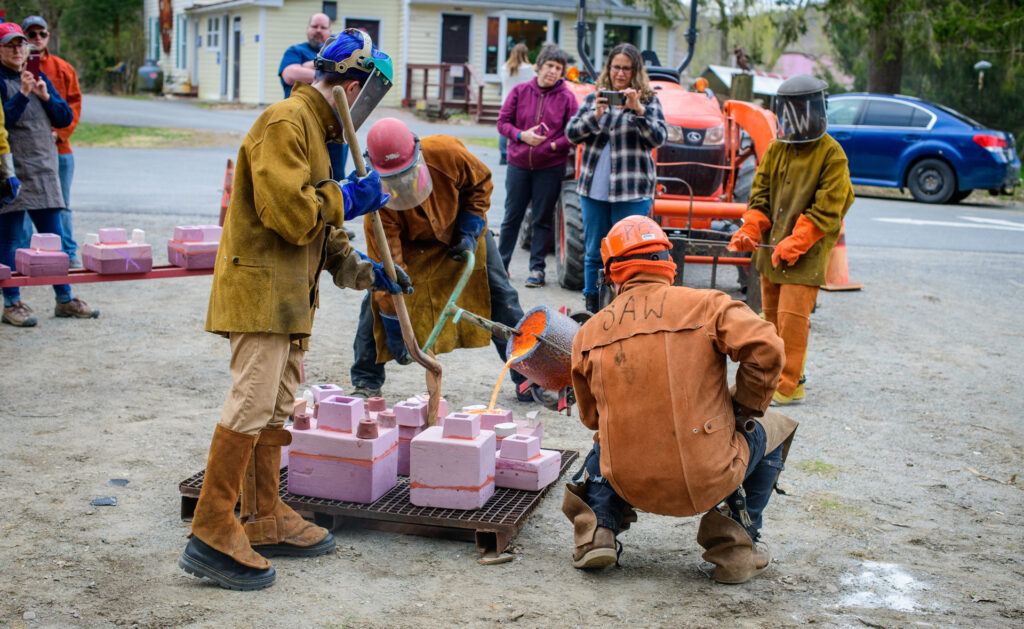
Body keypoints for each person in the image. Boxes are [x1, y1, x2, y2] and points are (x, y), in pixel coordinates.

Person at [178, 30, 404, 591]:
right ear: (351, 87)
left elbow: (322, 229)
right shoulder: (286, 121)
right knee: (251, 402)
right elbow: (292, 214)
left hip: (287, 296)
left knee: (274, 407)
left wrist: (362, 270)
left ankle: (263, 516)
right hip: (260, 292)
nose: (362, 110)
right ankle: (212, 528)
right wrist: (350, 198)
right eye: (364, 98)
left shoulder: (315, 133)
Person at [563, 215, 797, 584]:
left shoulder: (588, 334)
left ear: (612, 274)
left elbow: (592, 420)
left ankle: (597, 531)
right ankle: (735, 548)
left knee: (603, 438)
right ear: (668, 264)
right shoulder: (708, 306)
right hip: (710, 476)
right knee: (778, 425)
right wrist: (744, 408)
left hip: (629, 481)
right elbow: (766, 349)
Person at [348, 117, 541, 403]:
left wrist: (470, 226)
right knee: (376, 301)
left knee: (501, 296)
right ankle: (366, 381)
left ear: (418, 155)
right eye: (393, 180)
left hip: (460, 231)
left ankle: (527, 378)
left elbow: (481, 184)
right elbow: (389, 271)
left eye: (407, 174)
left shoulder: (447, 153)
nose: (403, 185)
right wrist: (395, 328)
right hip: (412, 246)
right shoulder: (378, 208)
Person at [727, 74, 854, 406]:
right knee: (769, 317)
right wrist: (750, 229)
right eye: (790, 108)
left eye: (801, 107)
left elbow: (829, 208)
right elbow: (760, 197)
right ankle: (770, 376)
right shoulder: (777, 149)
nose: (795, 115)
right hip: (773, 250)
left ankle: (790, 383)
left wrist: (798, 242)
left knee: (792, 320)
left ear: (815, 109)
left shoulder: (832, 154)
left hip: (807, 254)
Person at [0, 22, 96, 327]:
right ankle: (12, 302)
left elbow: (64, 117)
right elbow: (5, 122)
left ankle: (64, 299)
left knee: (52, 239)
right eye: (11, 45)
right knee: (10, 241)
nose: (18, 51)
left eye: (21, 45)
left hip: (43, 170)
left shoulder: (39, 77)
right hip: (11, 172)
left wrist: (44, 95)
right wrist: (23, 93)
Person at [566, 42, 666, 314]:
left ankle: (625, 308)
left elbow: (658, 138)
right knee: (594, 250)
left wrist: (638, 111)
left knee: (629, 252)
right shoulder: (593, 98)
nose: (620, 73)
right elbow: (572, 134)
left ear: (635, 72)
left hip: (631, 189)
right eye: (616, 67)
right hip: (594, 188)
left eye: (626, 68)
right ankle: (593, 307)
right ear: (608, 69)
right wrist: (595, 115)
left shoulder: (648, 101)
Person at [496, 43, 577, 289]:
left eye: (558, 68)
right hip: (519, 163)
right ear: (539, 66)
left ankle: (537, 269)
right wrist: (522, 136)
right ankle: (501, 266)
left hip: (550, 166)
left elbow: (573, 133)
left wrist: (553, 146)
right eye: (550, 66)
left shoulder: (567, 98)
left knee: (542, 218)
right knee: (512, 216)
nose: (553, 71)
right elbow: (503, 123)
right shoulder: (520, 91)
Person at [22, 15, 82, 267]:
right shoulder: (15, 69)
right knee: (22, 207)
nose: (37, 39)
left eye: (41, 34)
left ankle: (67, 254)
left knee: (62, 204)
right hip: (26, 152)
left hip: (59, 149)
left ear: (48, 36)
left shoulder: (62, 67)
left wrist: (60, 133)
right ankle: (22, 254)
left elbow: (74, 106)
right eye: (31, 34)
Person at [497, 43, 535, 166]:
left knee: (504, 127)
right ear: (525, 54)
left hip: (505, 101)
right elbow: (535, 81)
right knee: (519, 128)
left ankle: (503, 154)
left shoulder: (505, 68)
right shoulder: (528, 68)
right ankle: (517, 152)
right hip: (522, 102)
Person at [278, 13, 332, 98]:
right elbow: (290, 75)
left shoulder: (334, 52)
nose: (318, 30)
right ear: (307, 29)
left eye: (323, 27)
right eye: (314, 26)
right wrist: (329, 73)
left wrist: (305, 66)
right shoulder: (295, 51)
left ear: (330, 31)